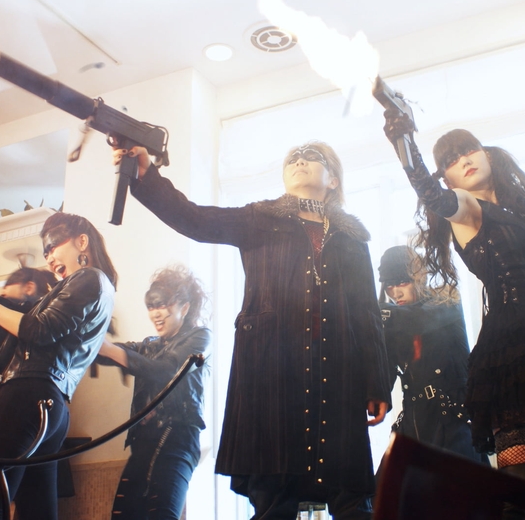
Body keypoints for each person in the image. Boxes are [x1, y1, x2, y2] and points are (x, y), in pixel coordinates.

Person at [116, 141, 392, 519]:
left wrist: (377, 382)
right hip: (271, 374)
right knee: (273, 500)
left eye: (312, 157)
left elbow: (367, 313)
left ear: (333, 179)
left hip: (339, 375)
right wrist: (147, 175)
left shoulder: (352, 237)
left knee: (351, 499)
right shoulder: (260, 218)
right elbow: (194, 218)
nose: (299, 161)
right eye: (293, 158)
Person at [382, 118, 525, 502]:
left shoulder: (519, 208)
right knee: (521, 484)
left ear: (485, 153)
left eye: (468, 150)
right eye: (451, 160)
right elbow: (431, 195)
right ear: (447, 177)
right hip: (512, 341)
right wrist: (403, 138)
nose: (464, 160)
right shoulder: (466, 205)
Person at [0, 212, 116, 520]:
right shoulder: (99, 287)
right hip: (53, 407)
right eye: (46, 251)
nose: (49, 257)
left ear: (82, 241)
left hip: (24, 395)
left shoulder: (88, 279)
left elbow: (39, 329)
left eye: (54, 245)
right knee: (36, 513)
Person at [96, 265, 210, 520]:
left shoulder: (200, 337)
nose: (156, 313)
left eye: (163, 305)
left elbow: (167, 370)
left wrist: (109, 349)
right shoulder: (148, 346)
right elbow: (108, 354)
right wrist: (91, 340)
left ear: (184, 307)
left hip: (179, 440)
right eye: (151, 306)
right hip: (143, 443)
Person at [376, 245, 485, 464]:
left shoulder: (446, 301)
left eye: (402, 282)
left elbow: (416, 319)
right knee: (387, 484)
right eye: (389, 286)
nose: (395, 293)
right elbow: (385, 370)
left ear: (418, 278)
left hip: (452, 419)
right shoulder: (393, 322)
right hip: (413, 420)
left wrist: (371, 312)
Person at [0, 267, 58, 409]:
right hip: (3, 392)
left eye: (8, 285)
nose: (3, 292)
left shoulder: (36, 318)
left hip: (19, 395)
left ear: (29, 287)